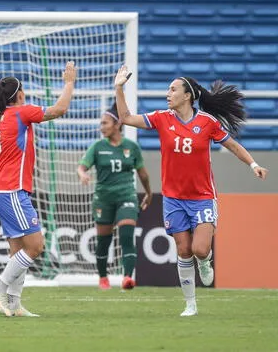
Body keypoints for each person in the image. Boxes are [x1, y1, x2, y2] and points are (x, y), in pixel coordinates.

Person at [113, 65, 268, 316]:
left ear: (187, 96)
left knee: (199, 249)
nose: (168, 93)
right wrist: (119, 87)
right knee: (183, 250)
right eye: (168, 89)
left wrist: (253, 164)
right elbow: (127, 118)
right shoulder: (162, 118)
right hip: (173, 198)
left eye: (173, 89)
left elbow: (233, 145)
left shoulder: (207, 122)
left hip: (202, 197)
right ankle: (190, 304)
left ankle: (205, 261)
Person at [0, 61, 77, 317]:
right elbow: (60, 109)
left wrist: (3, 177)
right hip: (13, 190)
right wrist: (69, 82)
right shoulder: (20, 112)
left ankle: (15, 305)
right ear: (19, 95)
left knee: (17, 250)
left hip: (0, 191)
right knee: (35, 246)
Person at [77, 103, 152, 290]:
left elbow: (143, 174)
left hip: (126, 195)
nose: (101, 126)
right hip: (103, 198)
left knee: (127, 235)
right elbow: (82, 166)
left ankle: (127, 277)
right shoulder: (97, 147)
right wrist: (82, 174)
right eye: (101, 123)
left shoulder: (131, 147)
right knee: (104, 241)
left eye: (105, 123)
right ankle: (103, 278)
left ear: (117, 124)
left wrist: (149, 193)